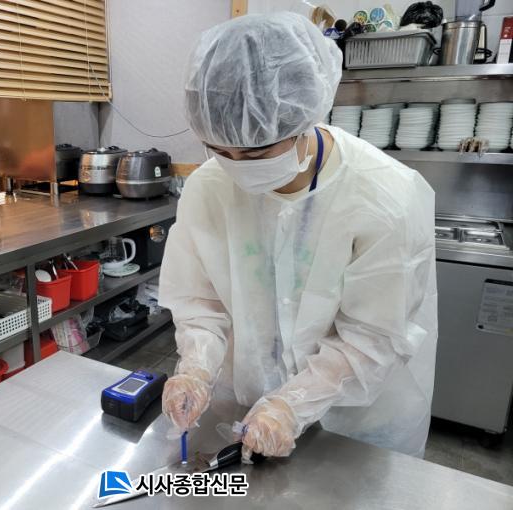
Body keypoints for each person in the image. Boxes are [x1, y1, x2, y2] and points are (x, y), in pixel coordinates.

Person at [159, 12, 437, 462]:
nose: (237, 166)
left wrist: (293, 404)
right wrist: (195, 366)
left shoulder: (384, 197)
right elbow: (200, 302)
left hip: (353, 424)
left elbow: (374, 335)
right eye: (220, 149)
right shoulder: (208, 187)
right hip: (246, 411)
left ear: (303, 118)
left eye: (257, 151)